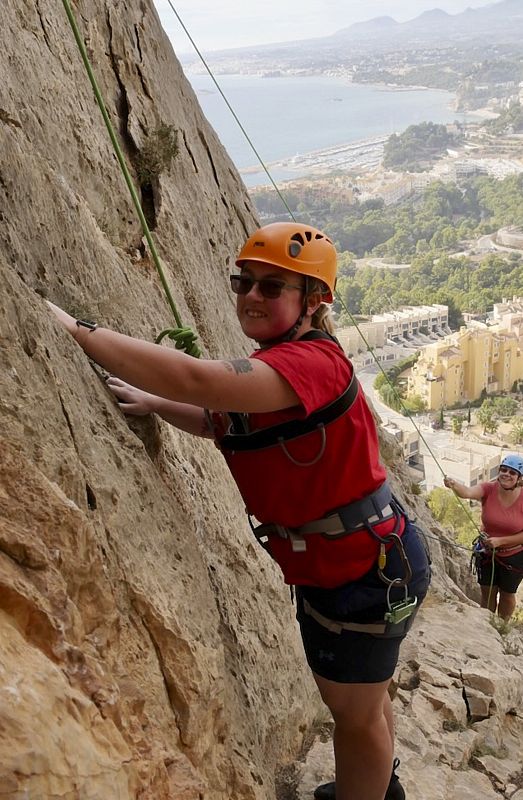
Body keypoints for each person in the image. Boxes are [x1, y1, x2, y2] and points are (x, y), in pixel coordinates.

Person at [46, 222, 430, 800]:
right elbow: (218, 422)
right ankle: (374, 786)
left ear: (314, 301)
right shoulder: (281, 369)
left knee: (355, 715)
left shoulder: (313, 364)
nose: (251, 295)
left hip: (361, 572)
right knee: (363, 702)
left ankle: (368, 791)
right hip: (352, 564)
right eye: (243, 281)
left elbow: (198, 380)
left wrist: (76, 330)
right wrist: (154, 402)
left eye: (272, 287)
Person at [443, 454, 523, 620]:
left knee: (507, 594)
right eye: (503, 470)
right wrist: (455, 485)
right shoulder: (488, 489)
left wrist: (501, 541)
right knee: (487, 592)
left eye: (512, 473)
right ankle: (487, 623)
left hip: (514, 555)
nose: (506, 474)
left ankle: (502, 625)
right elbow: (467, 492)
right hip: (487, 552)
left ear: (519, 478)